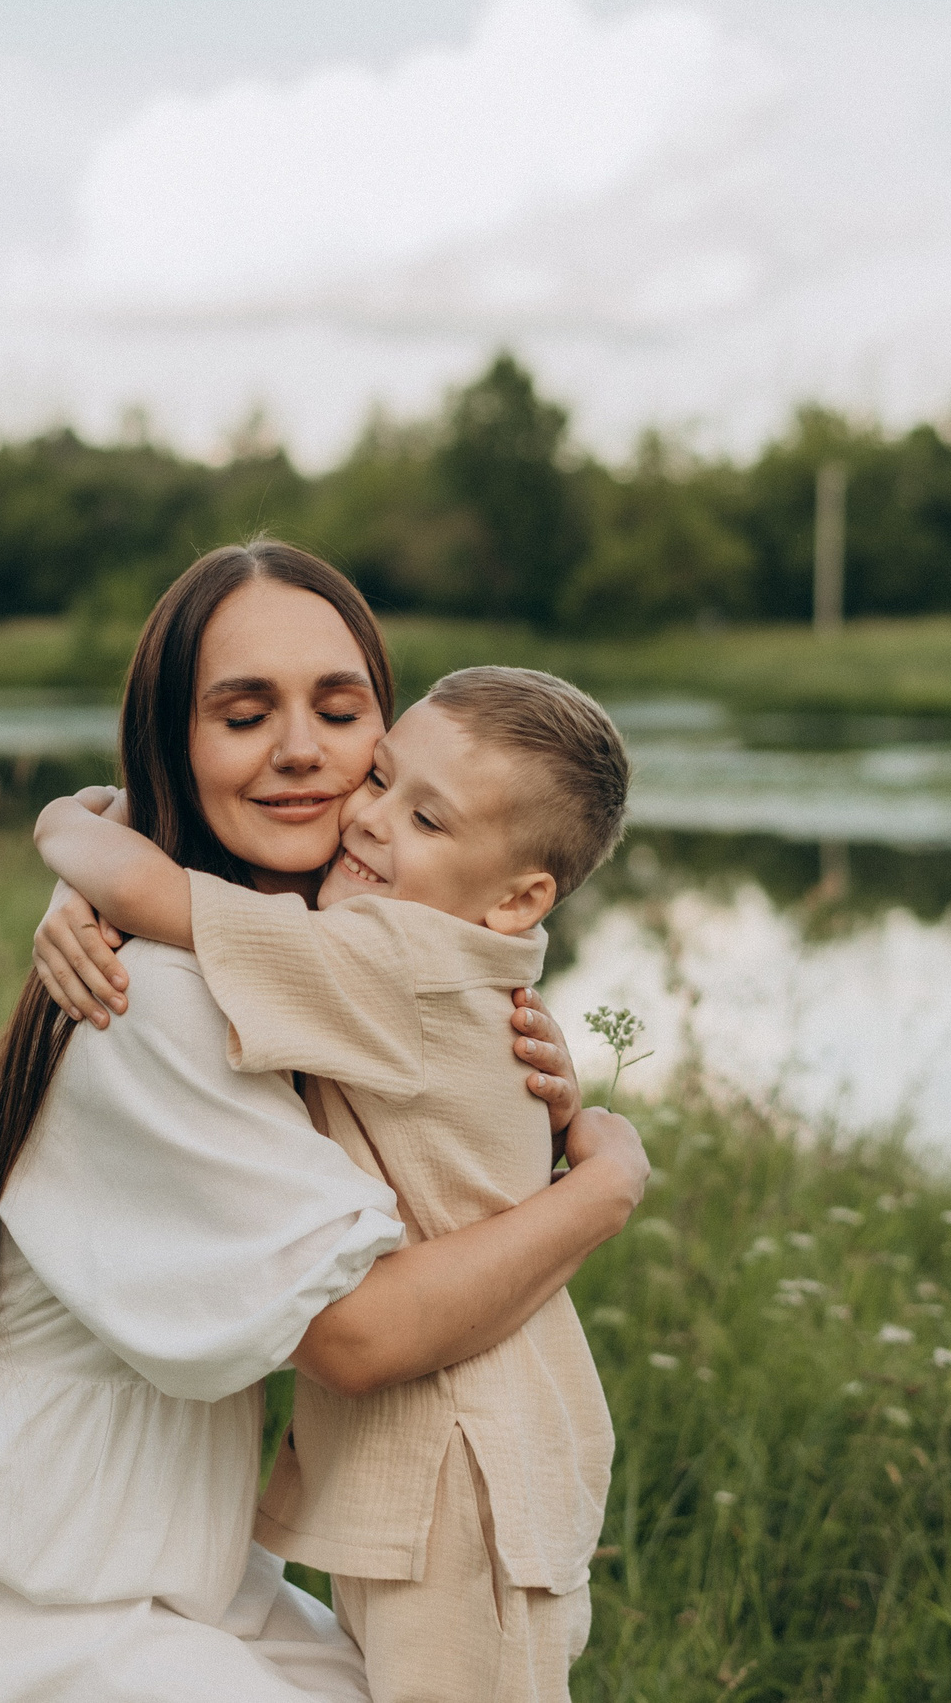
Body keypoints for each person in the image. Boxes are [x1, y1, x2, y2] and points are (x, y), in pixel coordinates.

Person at [0, 540, 649, 1702]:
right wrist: (601, 1190)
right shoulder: (155, 996)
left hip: (146, 1535)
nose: (302, 751)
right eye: (243, 716)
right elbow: (352, 1336)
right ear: (175, 745)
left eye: (339, 714)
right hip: (13, 1556)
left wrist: (89, 843)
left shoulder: (308, 959)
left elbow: (437, 996)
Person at [31, 666, 629, 1702]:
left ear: (519, 897)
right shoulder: (470, 956)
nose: (371, 820)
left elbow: (147, 893)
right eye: (381, 778)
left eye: (426, 819)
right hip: (456, 1462)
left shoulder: (393, 957)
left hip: (465, 1476)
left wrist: (58, 828)